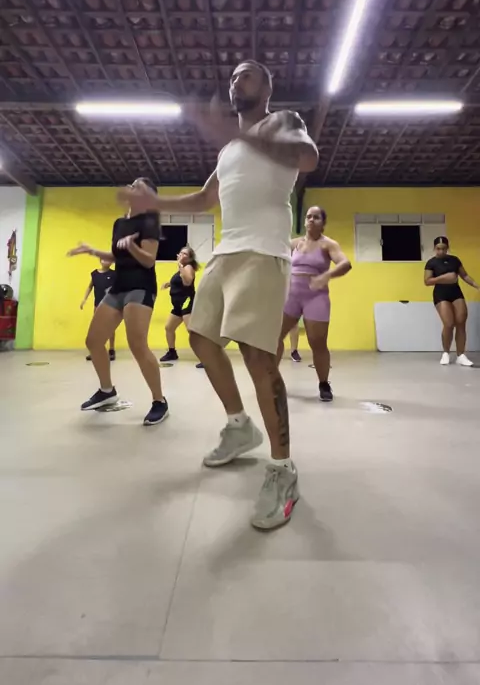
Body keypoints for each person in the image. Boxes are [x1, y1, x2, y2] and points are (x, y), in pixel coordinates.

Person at [120, 60, 319, 529]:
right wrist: (154, 203)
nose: (235, 81)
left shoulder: (283, 121)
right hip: (226, 252)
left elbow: (307, 157)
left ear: (267, 86)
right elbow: (206, 198)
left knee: (257, 356)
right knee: (200, 338)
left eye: (246, 75)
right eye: (232, 77)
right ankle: (239, 426)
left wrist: (241, 135)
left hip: (264, 251)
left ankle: (283, 469)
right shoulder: (229, 149)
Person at [68, 177, 168, 425]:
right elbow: (116, 255)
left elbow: (149, 260)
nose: (132, 188)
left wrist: (132, 246)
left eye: (139, 187)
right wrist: (92, 251)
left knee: (137, 344)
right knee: (93, 341)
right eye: (132, 185)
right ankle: (107, 391)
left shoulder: (150, 223)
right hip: (119, 286)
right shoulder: (120, 223)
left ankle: (159, 401)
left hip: (141, 287)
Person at [277, 207, 351, 401]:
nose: (311, 220)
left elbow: (345, 264)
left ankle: (324, 384)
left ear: (323, 223)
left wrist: (326, 276)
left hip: (316, 297)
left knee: (317, 342)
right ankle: (270, 380)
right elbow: (275, 258)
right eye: (308, 216)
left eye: (316, 217)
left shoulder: (328, 244)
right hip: (292, 296)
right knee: (275, 338)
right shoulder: (294, 243)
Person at [424, 236, 479, 366]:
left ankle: (461, 355)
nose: (441, 251)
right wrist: (445, 278)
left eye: (443, 249)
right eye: (438, 249)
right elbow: (427, 281)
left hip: (455, 293)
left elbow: (464, 275)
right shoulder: (431, 263)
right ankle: (446, 353)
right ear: (434, 248)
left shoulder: (454, 260)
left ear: (447, 248)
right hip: (441, 294)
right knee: (448, 324)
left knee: (461, 321)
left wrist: (476, 285)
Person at [160, 246, 203, 368]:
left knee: (191, 331)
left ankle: (206, 357)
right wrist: (169, 284)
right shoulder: (182, 269)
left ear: (189, 258)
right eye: (181, 253)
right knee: (169, 327)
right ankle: (172, 352)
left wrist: (180, 265)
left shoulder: (188, 267)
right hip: (177, 305)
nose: (181, 255)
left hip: (186, 302)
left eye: (185, 254)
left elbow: (187, 282)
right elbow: (179, 281)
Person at [80, 258, 116, 362]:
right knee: (96, 328)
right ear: (100, 260)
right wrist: (84, 299)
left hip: (110, 304)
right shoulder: (95, 274)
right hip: (97, 305)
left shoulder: (114, 274)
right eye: (104, 259)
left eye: (108, 260)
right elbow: (90, 287)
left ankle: (111, 350)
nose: (106, 261)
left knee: (110, 327)